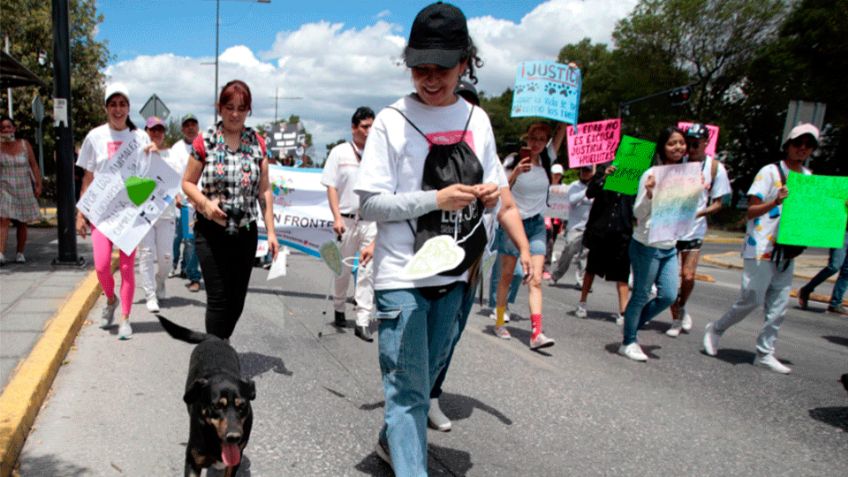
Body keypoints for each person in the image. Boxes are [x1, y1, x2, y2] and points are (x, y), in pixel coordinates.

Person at [354, 3, 531, 474]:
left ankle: (394, 437)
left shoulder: (479, 122)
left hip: (455, 272)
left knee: (425, 377)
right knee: (408, 388)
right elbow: (369, 204)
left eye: (442, 69)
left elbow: (498, 193)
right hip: (400, 274)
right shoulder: (391, 121)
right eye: (420, 69)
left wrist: (491, 197)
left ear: (465, 63)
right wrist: (434, 200)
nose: (430, 80)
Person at [703, 124, 818, 374]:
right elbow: (751, 210)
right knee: (752, 298)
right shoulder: (771, 172)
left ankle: (765, 352)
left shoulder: (809, 178)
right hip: (761, 247)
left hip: (787, 250)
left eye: (808, 145)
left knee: (778, 305)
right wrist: (775, 201)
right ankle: (717, 328)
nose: (802, 149)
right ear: (787, 144)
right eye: (798, 143)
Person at [182, 79, 279, 340]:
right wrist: (205, 204)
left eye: (241, 108)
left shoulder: (257, 142)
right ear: (219, 108)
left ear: (249, 110)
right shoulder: (206, 141)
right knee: (218, 298)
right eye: (229, 107)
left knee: (236, 301)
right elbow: (187, 183)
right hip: (210, 232)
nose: (235, 114)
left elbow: (264, 190)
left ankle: (219, 346)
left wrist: (271, 233)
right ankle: (216, 354)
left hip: (245, 233)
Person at [76, 83, 150, 340]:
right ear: (106, 107)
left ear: (128, 108)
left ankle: (126, 319)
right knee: (101, 265)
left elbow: (150, 176)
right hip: (101, 214)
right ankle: (110, 299)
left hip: (129, 214)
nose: (118, 109)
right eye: (113, 104)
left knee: (128, 269)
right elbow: (87, 177)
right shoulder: (94, 137)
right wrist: (80, 213)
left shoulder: (140, 138)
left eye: (122, 104)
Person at [619, 126, 698, 361]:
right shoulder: (652, 174)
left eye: (681, 143)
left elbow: (687, 212)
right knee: (641, 294)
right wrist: (651, 193)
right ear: (663, 148)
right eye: (672, 143)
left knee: (669, 295)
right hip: (647, 244)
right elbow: (638, 212)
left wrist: (697, 192)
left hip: (669, 247)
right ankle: (628, 341)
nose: (678, 147)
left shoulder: (686, 176)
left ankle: (631, 323)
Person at [492, 120, 566, 350]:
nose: (536, 143)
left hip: (535, 226)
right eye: (533, 138)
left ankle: (536, 333)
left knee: (535, 279)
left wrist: (566, 109)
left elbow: (562, 130)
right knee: (506, 275)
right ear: (527, 138)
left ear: (546, 143)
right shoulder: (513, 159)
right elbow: (499, 188)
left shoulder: (547, 160)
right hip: (514, 225)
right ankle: (500, 319)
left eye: (541, 140)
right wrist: (514, 172)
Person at [666, 123, 731, 337]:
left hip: (694, 229)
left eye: (696, 143)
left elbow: (719, 203)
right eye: (689, 143)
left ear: (705, 143)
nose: (691, 148)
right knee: (667, 278)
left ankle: (681, 306)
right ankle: (676, 316)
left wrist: (699, 213)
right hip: (671, 228)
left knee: (688, 276)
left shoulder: (715, 168)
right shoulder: (677, 162)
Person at [321, 106, 378, 342]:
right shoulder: (340, 152)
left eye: (372, 127)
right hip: (345, 220)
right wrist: (336, 217)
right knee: (342, 269)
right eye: (365, 127)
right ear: (354, 128)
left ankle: (363, 319)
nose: (369, 131)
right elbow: (331, 186)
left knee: (368, 271)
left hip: (371, 220)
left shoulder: (378, 154)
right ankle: (339, 307)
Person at [575, 163, 633, 324]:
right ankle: (582, 302)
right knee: (592, 268)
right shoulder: (603, 169)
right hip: (601, 230)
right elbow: (590, 192)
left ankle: (623, 311)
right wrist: (604, 177)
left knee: (622, 274)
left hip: (622, 230)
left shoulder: (635, 173)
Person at [137, 117, 183, 313]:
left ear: (164, 134)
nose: (156, 134)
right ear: (146, 131)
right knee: (146, 255)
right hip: (144, 214)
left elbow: (176, 181)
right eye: (152, 130)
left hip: (166, 214)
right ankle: (150, 294)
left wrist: (157, 158)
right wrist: (146, 156)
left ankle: (160, 280)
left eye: (159, 130)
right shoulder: (138, 156)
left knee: (166, 258)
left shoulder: (171, 156)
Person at [0, 115, 42, 265]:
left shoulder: (24, 145)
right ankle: (1, 253)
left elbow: (34, 165)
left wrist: (38, 183)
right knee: (3, 219)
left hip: (23, 187)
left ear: (14, 129)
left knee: (22, 221)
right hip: (5, 187)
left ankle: (20, 253)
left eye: (8, 127)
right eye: (2, 128)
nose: (6, 130)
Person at [169, 114, 202, 292]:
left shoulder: (204, 145)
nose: (190, 128)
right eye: (186, 125)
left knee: (191, 240)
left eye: (193, 125)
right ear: (182, 129)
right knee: (177, 237)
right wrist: (176, 196)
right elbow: (172, 174)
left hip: (198, 202)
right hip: (182, 202)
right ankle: (176, 264)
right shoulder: (176, 149)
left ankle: (193, 276)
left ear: (197, 127)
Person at [550, 165, 594, 287]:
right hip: (575, 226)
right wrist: (587, 191)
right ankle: (556, 275)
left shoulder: (596, 186)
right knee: (569, 250)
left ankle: (581, 281)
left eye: (588, 171)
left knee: (585, 255)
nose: (585, 173)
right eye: (583, 170)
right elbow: (571, 201)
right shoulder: (574, 186)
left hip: (589, 227)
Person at [798, 229, 848, 315]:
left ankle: (835, 304)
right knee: (834, 266)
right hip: (842, 231)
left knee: (847, 271)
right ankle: (806, 290)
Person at [543, 163, 566, 280]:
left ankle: (545, 267)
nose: (557, 177)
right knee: (546, 242)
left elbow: (564, 206)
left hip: (556, 219)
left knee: (551, 243)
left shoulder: (563, 188)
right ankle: (542, 267)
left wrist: (562, 221)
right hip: (544, 217)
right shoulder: (545, 186)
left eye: (559, 175)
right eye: (555, 174)